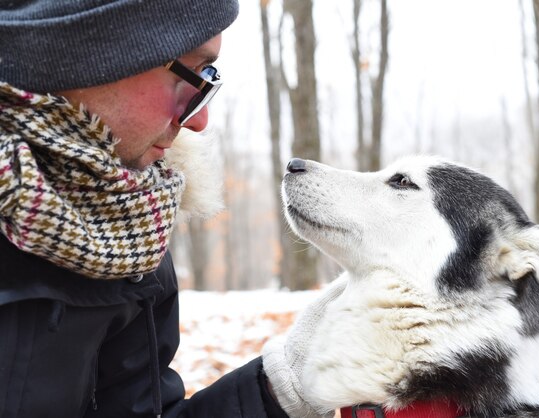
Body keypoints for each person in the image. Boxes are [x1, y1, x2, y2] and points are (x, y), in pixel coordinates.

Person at [0, 1, 343, 417]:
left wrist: (287, 389)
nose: (199, 121)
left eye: (209, 79)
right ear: (90, 57)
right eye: (194, 74)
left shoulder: (131, 232)